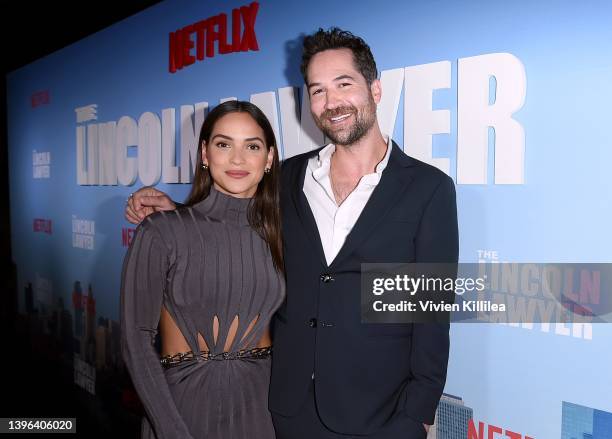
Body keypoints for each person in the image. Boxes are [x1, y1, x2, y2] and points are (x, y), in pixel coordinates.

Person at [126, 28, 458, 439]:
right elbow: (235, 222)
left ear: (375, 89)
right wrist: (174, 214)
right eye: (317, 90)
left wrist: (417, 418)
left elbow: (430, 313)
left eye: (343, 84)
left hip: (381, 417)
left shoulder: (428, 189)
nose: (331, 102)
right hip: (284, 409)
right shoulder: (288, 178)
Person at [121, 100, 285, 439]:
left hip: (263, 410)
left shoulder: (284, 234)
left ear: (268, 158)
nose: (238, 159)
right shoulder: (160, 232)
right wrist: (170, 429)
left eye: (252, 146)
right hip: (183, 407)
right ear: (205, 154)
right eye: (224, 144)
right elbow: (135, 340)